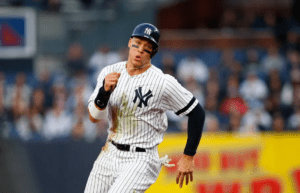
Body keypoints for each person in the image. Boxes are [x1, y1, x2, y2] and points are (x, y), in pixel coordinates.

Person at [84, 23, 205, 192]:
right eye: (137, 44)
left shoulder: (162, 82)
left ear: (153, 53)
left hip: (141, 158)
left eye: (147, 47)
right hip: (110, 151)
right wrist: (103, 94)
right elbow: (93, 117)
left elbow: (197, 113)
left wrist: (188, 156)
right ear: (129, 42)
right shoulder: (109, 71)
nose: (140, 50)